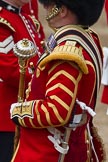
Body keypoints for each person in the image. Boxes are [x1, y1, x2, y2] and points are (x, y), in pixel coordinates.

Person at [10, 0, 106, 162]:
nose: (46, 8)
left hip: (49, 152)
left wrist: (18, 111)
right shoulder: (88, 38)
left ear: (62, 10)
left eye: (50, 4)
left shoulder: (66, 53)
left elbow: (57, 110)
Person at [0, 0, 44, 161]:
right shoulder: (2, 21)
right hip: (5, 117)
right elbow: (10, 70)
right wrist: (46, 80)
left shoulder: (26, 19)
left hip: (24, 112)